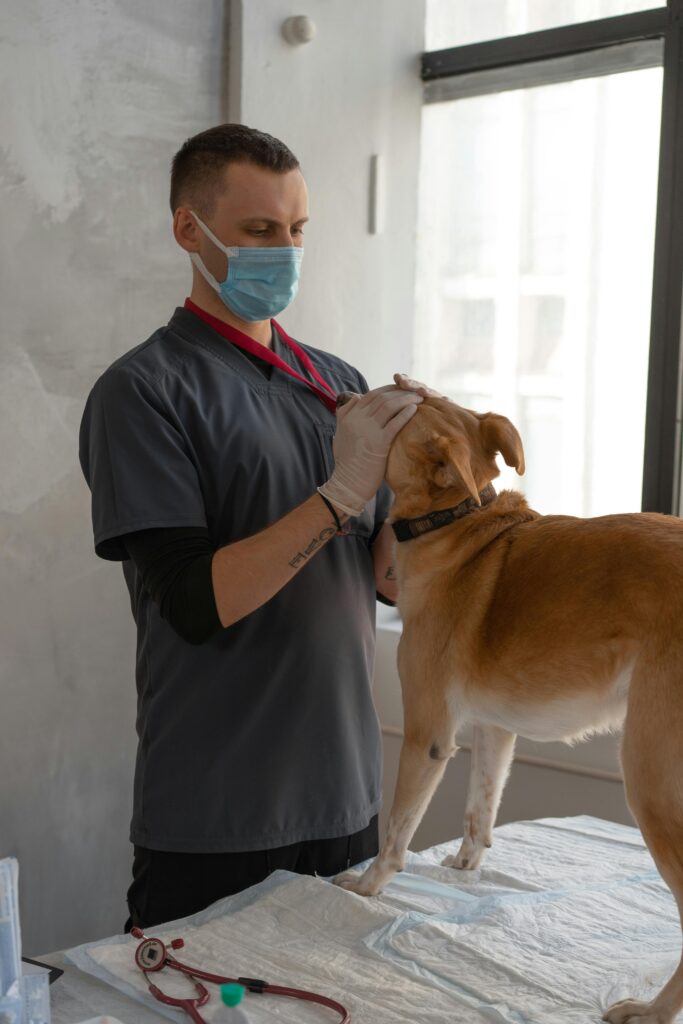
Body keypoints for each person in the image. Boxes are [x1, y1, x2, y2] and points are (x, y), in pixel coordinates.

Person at [78, 123, 424, 931]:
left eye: (297, 231)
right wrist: (341, 492)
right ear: (188, 230)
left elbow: (385, 581)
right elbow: (197, 603)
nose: (285, 252)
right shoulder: (145, 391)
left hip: (344, 801)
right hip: (216, 813)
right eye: (260, 231)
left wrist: (432, 486)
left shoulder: (338, 385)